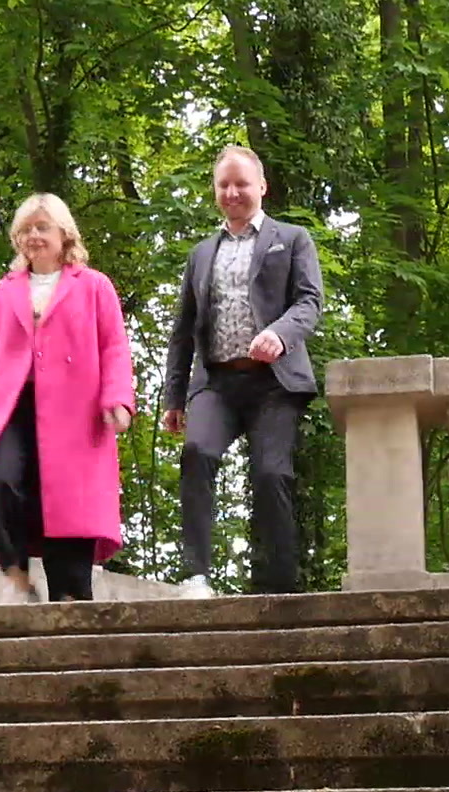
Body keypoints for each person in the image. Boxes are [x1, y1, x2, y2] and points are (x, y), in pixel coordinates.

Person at [161, 145, 325, 597]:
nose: (232, 192)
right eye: (224, 185)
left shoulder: (292, 239)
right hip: (216, 382)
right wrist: (174, 396)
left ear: (262, 187)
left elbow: (309, 302)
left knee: (271, 474)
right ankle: (196, 575)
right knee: (197, 453)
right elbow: (183, 330)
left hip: (274, 383)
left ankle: (278, 585)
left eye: (241, 184)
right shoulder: (201, 254)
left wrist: (280, 334)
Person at [0, 193, 135, 604]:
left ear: (63, 233)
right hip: (10, 410)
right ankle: (16, 578)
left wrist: (118, 398)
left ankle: (70, 605)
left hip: (76, 412)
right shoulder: (0, 294)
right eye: (25, 229)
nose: (33, 236)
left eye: (42, 227)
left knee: (69, 510)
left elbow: (114, 346)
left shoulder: (94, 286)